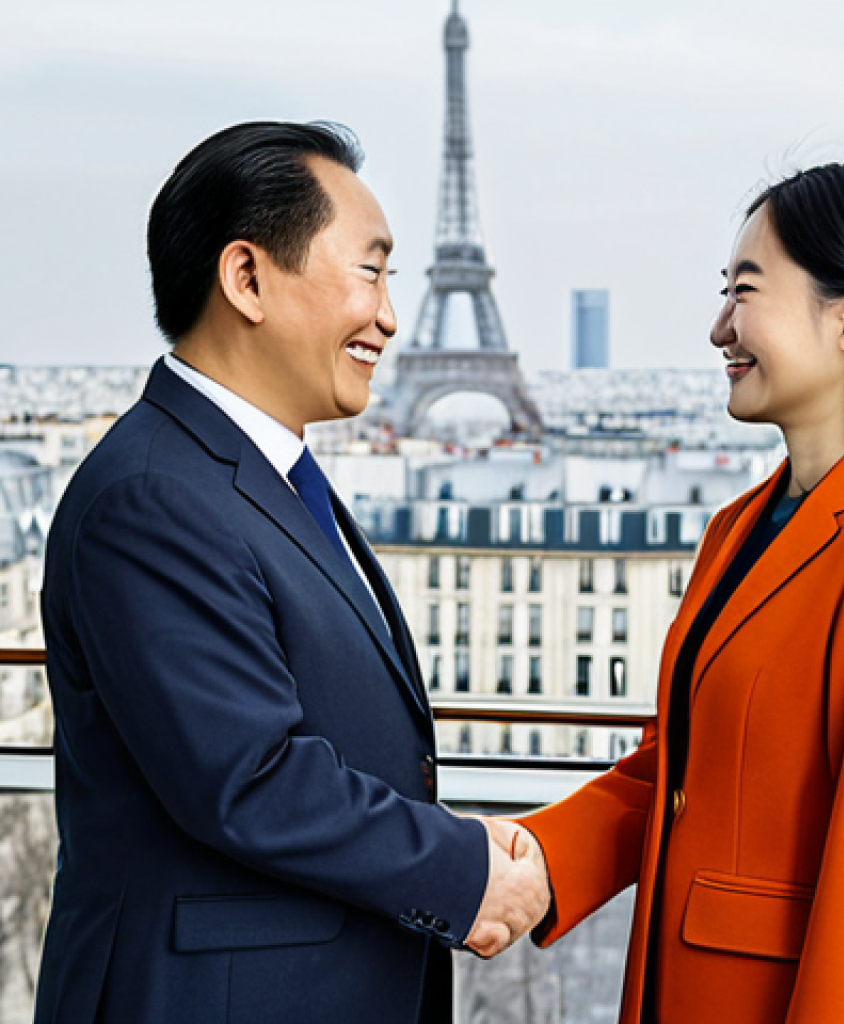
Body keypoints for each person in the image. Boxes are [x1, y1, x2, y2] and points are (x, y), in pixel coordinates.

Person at [35, 121, 548, 1024]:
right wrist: (460, 867)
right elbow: (249, 775)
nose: (390, 315)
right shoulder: (154, 496)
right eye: (371, 271)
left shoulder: (247, 476)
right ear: (247, 279)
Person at [516, 163, 844, 1023]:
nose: (719, 327)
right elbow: (681, 771)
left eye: (743, 292)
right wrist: (540, 862)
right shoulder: (741, 526)